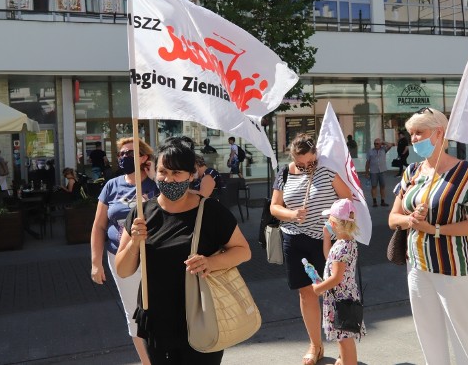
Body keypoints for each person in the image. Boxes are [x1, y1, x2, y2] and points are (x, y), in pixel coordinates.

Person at [115, 136, 251, 364]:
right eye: (163, 172)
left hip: (202, 317)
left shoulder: (210, 212)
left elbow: (243, 251)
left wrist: (210, 262)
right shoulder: (141, 214)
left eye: (177, 173)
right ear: (153, 172)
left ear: (191, 175)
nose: (169, 179)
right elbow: (123, 270)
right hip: (156, 319)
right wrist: (134, 244)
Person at [388, 107, 468, 365]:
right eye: (411, 134)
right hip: (417, 265)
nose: (413, 139)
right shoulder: (411, 172)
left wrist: (434, 229)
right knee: (428, 335)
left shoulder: (464, 173)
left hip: (453, 268)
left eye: (419, 133)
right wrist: (410, 220)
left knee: (466, 339)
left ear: (438, 133)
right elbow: (392, 218)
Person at [269, 133, 352, 365]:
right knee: (306, 293)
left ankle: (343, 349)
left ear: (317, 155)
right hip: (294, 239)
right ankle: (315, 345)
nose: (306, 167)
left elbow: (348, 200)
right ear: (292, 157)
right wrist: (293, 214)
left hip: (325, 240)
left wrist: (337, 227)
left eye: (311, 162)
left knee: (334, 292)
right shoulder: (284, 173)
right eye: (301, 163)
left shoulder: (327, 171)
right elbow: (275, 207)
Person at [90, 137, 158, 365]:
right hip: (118, 257)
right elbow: (99, 226)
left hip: (152, 257)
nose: (124, 157)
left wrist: (156, 174)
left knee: (158, 308)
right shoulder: (112, 185)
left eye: (129, 153)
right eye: (121, 153)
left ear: (143, 157)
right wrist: (96, 263)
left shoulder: (155, 184)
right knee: (133, 312)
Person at [312, 199, 365, 365]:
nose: (328, 222)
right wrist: (326, 237)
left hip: (340, 299)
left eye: (330, 219)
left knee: (344, 338)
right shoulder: (347, 243)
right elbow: (329, 258)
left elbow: (336, 277)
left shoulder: (341, 247)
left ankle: (349, 362)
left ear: (335, 224)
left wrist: (318, 289)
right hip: (344, 297)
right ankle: (344, 361)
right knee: (342, 335)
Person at [365, 138, 393, 207]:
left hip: (382, 171)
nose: (375, 145)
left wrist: (383, 142)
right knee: (374, 186)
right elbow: (367, 162)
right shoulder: (370, 151)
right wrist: (367, 172)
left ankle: (383, 201)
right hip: (373, 171)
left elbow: (390, 145)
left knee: (382, 186)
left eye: (377, 143)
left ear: (380, 144)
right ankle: (374, 201)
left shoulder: (383, 149)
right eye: (374, 143)